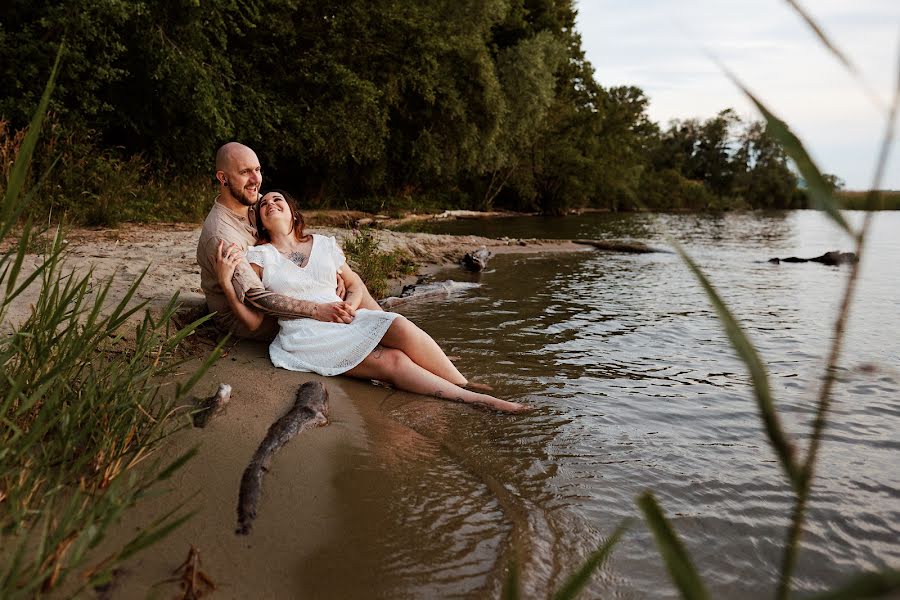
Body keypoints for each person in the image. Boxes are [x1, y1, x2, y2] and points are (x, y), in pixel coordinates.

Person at [214, 189, 528, 414]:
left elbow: (354, 284)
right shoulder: (259, 256)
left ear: (293, 212)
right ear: (260, 220)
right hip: (306, 335)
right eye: (264, 204)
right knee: (393, 362)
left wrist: (351, 303)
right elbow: (254, 319)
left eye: (277, 199)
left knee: (399, 324)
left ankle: (466, 385)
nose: (269, 203)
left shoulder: (324, 244)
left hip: (344, 319)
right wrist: (228, 284)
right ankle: (477, 402)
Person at [196, 142, 380, 340]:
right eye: (245, 172)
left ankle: (385, 322)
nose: (255, 179)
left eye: (257, 170)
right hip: (250, 314)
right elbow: (257, 298)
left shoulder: (255, 200)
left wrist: (330, 273)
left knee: (351, 285)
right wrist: (318, 308)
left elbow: (291, 237)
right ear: (223, 178)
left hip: (279, 287)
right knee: (340, 313)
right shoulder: (221, 235)